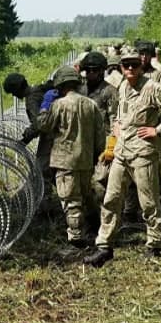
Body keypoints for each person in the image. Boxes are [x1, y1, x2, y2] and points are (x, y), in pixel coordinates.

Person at [84, 46, 161, 267]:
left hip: (143, 153)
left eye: (134, 65)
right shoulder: (121, 87)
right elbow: (120, 113)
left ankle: (154, 244)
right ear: (121, 67)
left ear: (141, 66)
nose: (130, 68)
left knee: (148, 201)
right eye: (126, 65)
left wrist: (158, 130)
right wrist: (117, 127)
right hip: (122, 152)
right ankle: (104, 245)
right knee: (111, 198)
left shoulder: (152, 88)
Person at [37, 66, 104, 249]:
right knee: (85, 195)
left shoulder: (59, 105)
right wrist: (96, 155)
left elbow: (44, 126)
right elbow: (100, 136)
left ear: (60, 84)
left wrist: (44, 108)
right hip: (86, 159)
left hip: (65, 160)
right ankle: (96, 227)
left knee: (71, 200)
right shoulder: (91, 104)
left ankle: (76, 238)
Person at [3, 72, 56, 203]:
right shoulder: (39, 90)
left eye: (13, 92)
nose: (14, 96)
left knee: (41, 170)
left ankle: (46, 204)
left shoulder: (31, 99)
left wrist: (25, 139)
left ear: (17, 89)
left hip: (50, 136)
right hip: (57, 132)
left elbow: (39, 125)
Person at [79, 50, 119, 211]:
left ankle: (104, 218)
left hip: (103, 145)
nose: (90, 74)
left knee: (100, 183)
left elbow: (115, 120)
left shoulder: (110, 91)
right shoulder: (80, 90)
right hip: (82, 144)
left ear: (102, 70)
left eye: (94, 70)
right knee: (83, 185)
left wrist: (111, 146)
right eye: (87, 70)